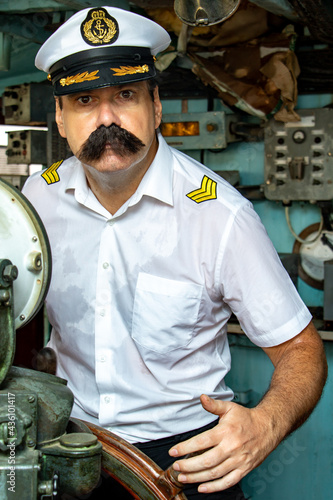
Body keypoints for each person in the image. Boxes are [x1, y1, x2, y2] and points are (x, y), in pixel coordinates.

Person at [22, 6, 327, 500]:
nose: (107, 118)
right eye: (83, 100)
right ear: (60, 116)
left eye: (125, 95)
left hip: (186, 460)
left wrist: (265, 425)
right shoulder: (35, 202)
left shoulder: (219, 215)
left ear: (156, 105)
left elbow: (301, 349)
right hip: (67, 448)